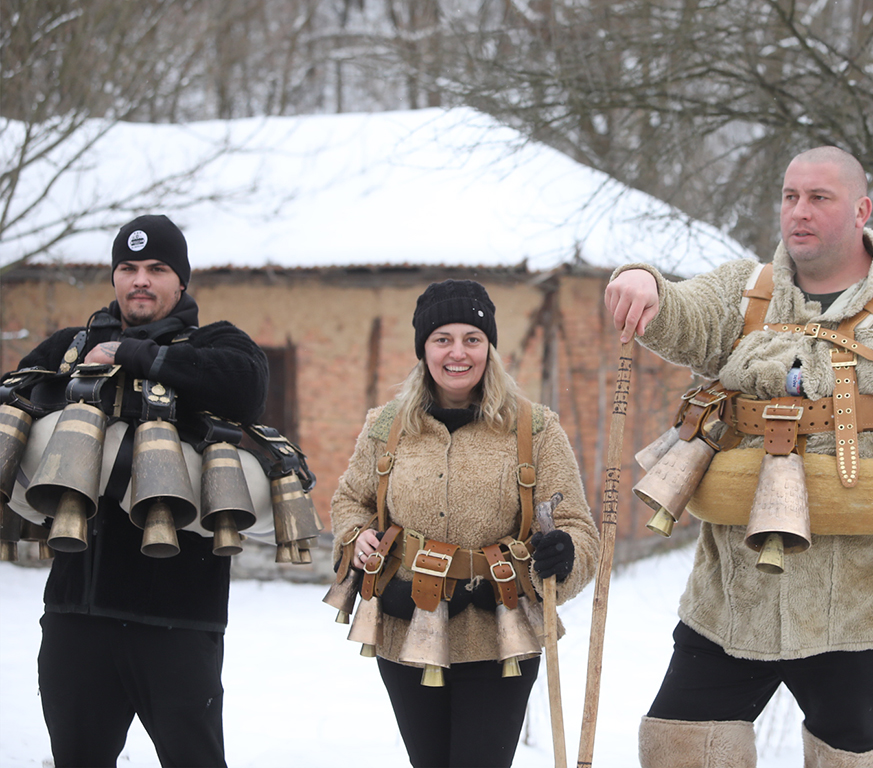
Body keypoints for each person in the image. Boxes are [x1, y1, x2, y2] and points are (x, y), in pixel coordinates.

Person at [604, 146, 873, 768]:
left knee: (852, 759)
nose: (800, 211)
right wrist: (645, 284)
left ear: (861, 209)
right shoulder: (744, 293)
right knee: (680, 745)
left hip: (865, 603)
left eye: (819, 197)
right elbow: (684, 316)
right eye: (791, 197)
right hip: (734, 596)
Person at [3, 214, 269, 768]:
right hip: (77, 613)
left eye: (156, 268)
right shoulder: (71, 345)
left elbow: (246, 387)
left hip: (179, 619)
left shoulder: (216, 343)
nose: (140, 280)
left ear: (181, 280)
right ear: (115, 276)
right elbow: (17, 395)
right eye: (128, 267)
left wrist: (133, 356)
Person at [329, 279, 598, 768]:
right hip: (404, 620)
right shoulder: (386, 425)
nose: (458, 353)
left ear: (489, 347)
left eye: (472, 339)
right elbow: (351, 500)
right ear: (424, 349)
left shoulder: (534, 428)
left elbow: (578, 525)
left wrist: (567, 552)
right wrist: (356, 535)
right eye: (443, 339)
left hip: (502, 629)